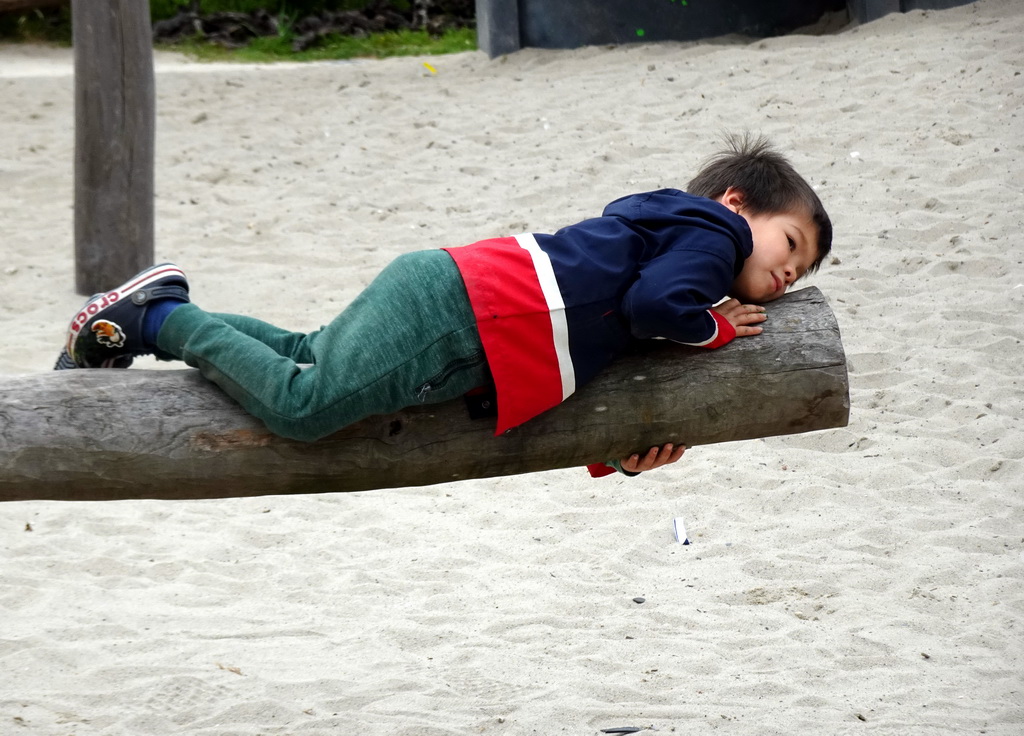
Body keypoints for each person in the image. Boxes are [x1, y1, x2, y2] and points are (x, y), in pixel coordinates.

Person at [56, 134, 832, 477]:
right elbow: (660, 306)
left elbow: (597, 355)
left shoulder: (671, 251)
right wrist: (713, 327)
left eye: (802, 271)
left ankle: (141, 321)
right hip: (468, 310)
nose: (789, 273)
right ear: (738, 203)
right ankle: (156, 317)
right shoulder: (712, 236)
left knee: (302, 353)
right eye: (790, 244)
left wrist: (624, 454)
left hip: (463, 309)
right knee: (304, 406)